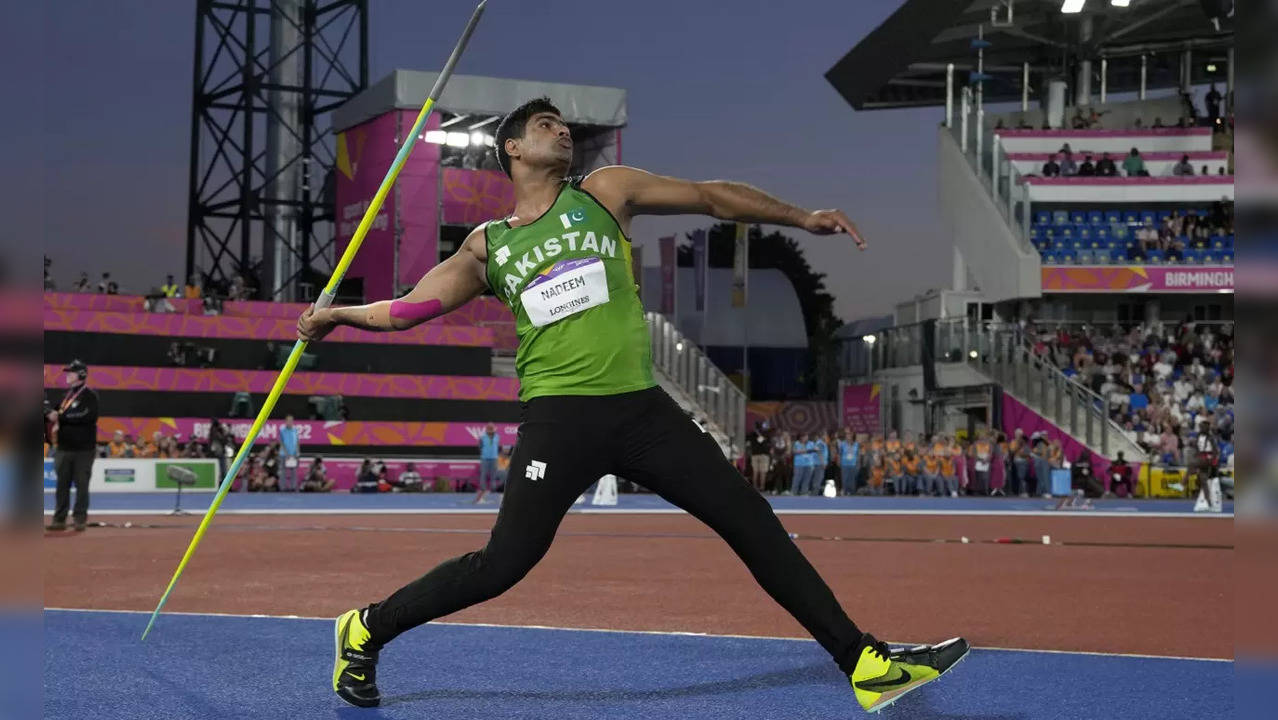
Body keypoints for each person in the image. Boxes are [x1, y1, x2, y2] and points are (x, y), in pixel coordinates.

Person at [297, 97, 966, 712]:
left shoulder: (605, 193)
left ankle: (863, 664)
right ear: (514, 151)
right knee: (504, 565)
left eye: (563, 124)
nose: (561, 131)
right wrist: (339, 315)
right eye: (544, 126)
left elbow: (711, 197)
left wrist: (798, 216)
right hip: (560, 419)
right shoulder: (489, 245)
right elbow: (410, 308)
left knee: (750, 520)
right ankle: (366, 627)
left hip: (643, 412)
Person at [46, 360, 99, 532]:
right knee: (61, 485)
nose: (67, 375)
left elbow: (86, 416)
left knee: (82, 485)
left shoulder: (90, 396)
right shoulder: (65, 396)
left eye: (71, 372)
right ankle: (59, 519)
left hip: (83, 450)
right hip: (63, 448)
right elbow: (53, 413)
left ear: (82, 375)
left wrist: (60, 418)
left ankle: (79, 518)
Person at [475, 423, 502, 504]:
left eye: (492, 428)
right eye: (489, 428)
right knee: (483, 474)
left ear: (494, 429)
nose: (491, 430)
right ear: (487, 429)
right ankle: (483, 490)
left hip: (494, 458)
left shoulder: (497, 436)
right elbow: (479, 447)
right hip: (485, 458)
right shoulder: (482, 438)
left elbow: (497, 446)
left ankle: (493, 491)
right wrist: (484, 453)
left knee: (493, 475)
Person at [748, 421, 771, 493]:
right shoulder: (756, 434)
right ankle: (759, 487)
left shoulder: (764, 434)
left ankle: (759, 487)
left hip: (760, 455)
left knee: (759, 472)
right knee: (759, 472)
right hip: (760, 455)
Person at [279, 415, 301, 491]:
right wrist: (286, 453)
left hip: (294, 454)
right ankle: (282, 487)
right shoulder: (282, 430)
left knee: (293, 471)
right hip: (284, 454)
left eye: (291, 421)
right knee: (283, 471)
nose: (290, 422)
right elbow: (281, 442)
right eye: (288, 420)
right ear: (285, 421)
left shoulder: (295, 430)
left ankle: (293, 487)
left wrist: (297, 452)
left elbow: (297, 441)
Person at [836, 430, 860, 495]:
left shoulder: (856, 444)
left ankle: (852, 492)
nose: (848, 436)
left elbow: (858, 455)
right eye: (847, 434)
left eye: (849, 434)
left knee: (852, 480)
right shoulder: (842, 444)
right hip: (844, 464)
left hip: (853, 464)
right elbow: (839, 454)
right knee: (845, 479)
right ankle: (845, 492)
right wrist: (838, 461)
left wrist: (858, 464)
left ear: (852, 435)